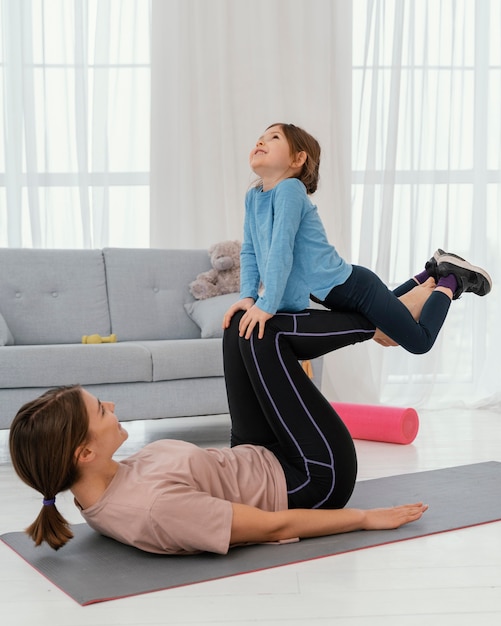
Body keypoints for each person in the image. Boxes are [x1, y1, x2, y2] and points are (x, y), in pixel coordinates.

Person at [9, 306, 428, 556]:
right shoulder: (154, 508)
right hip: (311, 478)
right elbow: (272, 527)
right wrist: (364, 519)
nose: (112, 407)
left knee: (242, 324)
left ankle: (389, 310)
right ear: (83, 453)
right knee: (268, 337)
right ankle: (387, 323)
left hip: (253, 456)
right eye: (101, 410)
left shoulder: (94, 486)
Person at [223, 123, 492, 353]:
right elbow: (249, 251)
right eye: (262, 136)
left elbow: (282, 249)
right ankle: (428, 274)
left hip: (355, 289)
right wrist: (248, 295)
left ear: (298, 159)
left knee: (419, 341)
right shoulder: (254, 198)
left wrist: (267, 304)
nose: (261, 140)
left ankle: (451, 278)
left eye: (274, 137)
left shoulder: (290, 190)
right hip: (337, 294)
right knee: (387, 329)